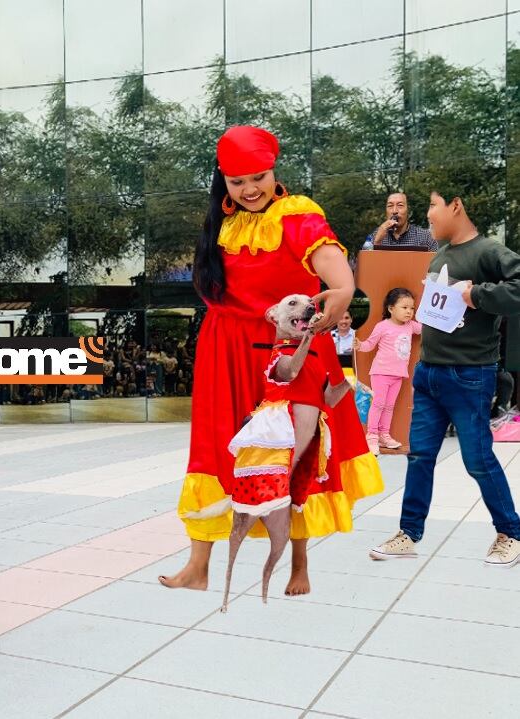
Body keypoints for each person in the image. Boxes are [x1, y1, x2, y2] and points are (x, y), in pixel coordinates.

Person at [161, 126, 383, 596]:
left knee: (295, 454)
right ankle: (198, 565)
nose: (249, 189)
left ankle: (298, 563)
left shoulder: (296, 215)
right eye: (237, 181)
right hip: (225, 352)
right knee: (215, 447)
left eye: (258, 176)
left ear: (274, 171)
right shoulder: (220, 225)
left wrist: (342, 292)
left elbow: (332, 267)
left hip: (291, 349)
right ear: (224, 182)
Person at [370, 188, 520, 567]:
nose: (429, 215)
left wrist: (479, 294)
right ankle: (409, 533)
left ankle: (512, 533)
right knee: (418, 456)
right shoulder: (440, 255)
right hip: (428, 372)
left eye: (433, 206)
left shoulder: (488, 251)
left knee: (478, 459)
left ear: (457, 205)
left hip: (470, 374)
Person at [354, 288, 421, 454]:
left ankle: (384, 435)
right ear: (391, 309)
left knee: (389, 406)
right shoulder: (382, 326)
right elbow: (370, 344)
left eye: (412, 308)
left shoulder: (411, 326)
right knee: (378, 404)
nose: (409, 312)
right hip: (381, 372)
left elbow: (426, 329)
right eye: (404, 307)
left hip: (398, 375)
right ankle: (372, 436)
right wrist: (359, 345)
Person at [364, 192, 437, 251]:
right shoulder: (376, 235)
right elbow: (368, 266)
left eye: (400, 205)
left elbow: (437, 266)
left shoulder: (426, 237)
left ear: (408, 210)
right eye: (390, 206)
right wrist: (377, 242)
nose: (394, 211)